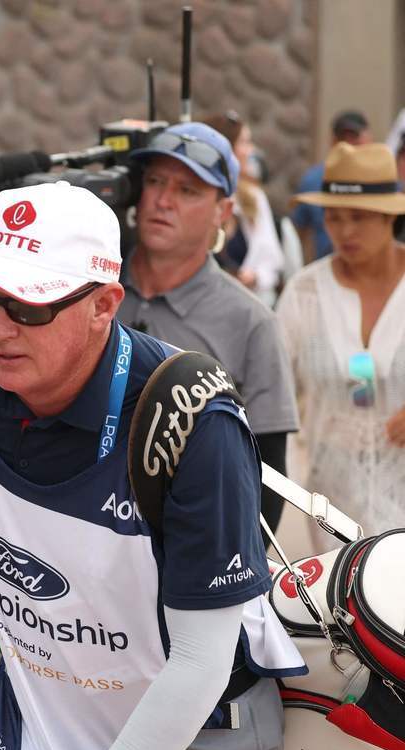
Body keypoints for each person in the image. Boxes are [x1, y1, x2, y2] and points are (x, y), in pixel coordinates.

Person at [0, 181, 303, 750]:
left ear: (104, 304)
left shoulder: (192, 422)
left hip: (196, 722)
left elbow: (200, 660)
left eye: (30, 306)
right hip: (56, 706)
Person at [115, 121, 299, 532]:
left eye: (187, 190)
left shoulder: (252, 323)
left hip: (186, 553)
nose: (163, 200)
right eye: (155, 181)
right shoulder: (91, 291)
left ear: (224, 211)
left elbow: (269, 478)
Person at [277, 142, 405, 552]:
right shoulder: (306, 293)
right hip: (333, 513)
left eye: (360, 217)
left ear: (390, 216)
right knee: (346, 612)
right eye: (333, 217)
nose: (345, 231)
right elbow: (271, 385)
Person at [205, 111, 286, 307]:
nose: (250, 150)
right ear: (225, 148)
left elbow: (271, 259)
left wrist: (255, 277)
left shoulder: (253, 197)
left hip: (244, 304)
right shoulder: (199, 196)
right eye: (244, 142)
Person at [293, 109, 372, 263]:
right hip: (325, 269)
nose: (348, 146)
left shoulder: (381, 181)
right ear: (333, 141)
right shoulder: (313, 180)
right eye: (334, 217)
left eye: (354, 137)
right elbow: (297, 232)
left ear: (367, 138)